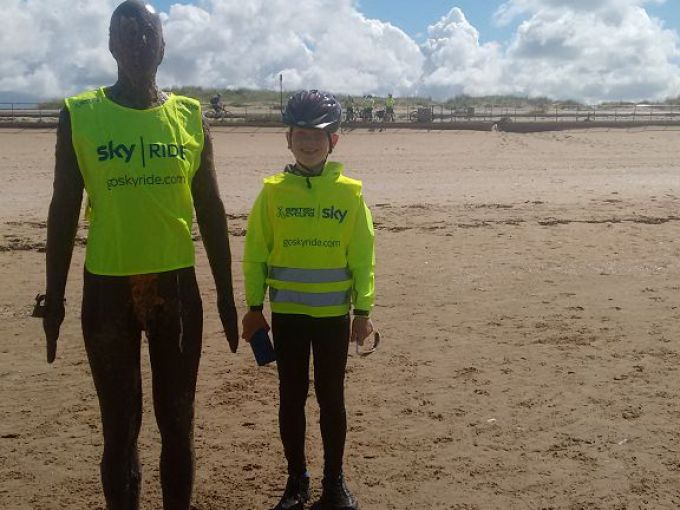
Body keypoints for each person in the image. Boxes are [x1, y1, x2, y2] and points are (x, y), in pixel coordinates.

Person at [40, 1, 239, 509]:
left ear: (164, 45)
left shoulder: (189, 116)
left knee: (177, 423)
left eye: (147, 33)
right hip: (107, 288)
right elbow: (63, 208)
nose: (137, 44)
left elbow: (211, 208)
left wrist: (225, 294)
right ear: (110, 45)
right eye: (125, 35)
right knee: (120, 430)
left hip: (175, 288)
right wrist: (56, 299)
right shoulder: (81, 114)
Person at [241, 90, 376, 510]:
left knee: (332, 399)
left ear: (334, 140)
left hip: (333, 316)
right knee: (291, 397)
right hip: (288, 315)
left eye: (319, 134)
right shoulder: (273, 192)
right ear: (288, 138)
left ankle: (334, 481)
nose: (310, 142)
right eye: (301, 133)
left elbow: (362, 255)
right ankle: (297, 480)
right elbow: (256, 252)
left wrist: (364, 311)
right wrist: (252, 307)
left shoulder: (350, 194)